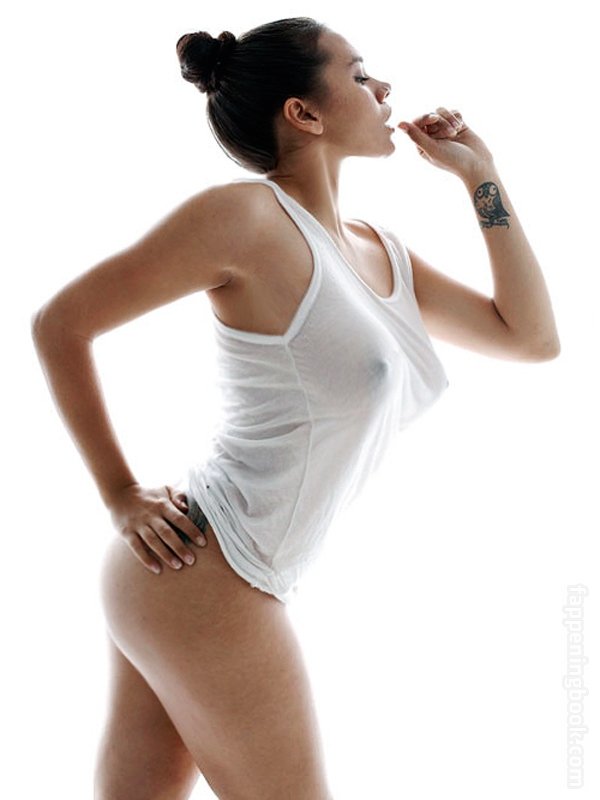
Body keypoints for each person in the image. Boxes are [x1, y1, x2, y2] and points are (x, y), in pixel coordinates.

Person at [30, 15, 560, 800]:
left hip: (195, 578)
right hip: (211, 568)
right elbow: (61, 324)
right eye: (360, 75)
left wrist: (480, 176)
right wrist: (119, 492)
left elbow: (532, 339)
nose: (384, 89)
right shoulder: (245, 218)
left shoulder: (379, 250)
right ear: (303, 113)